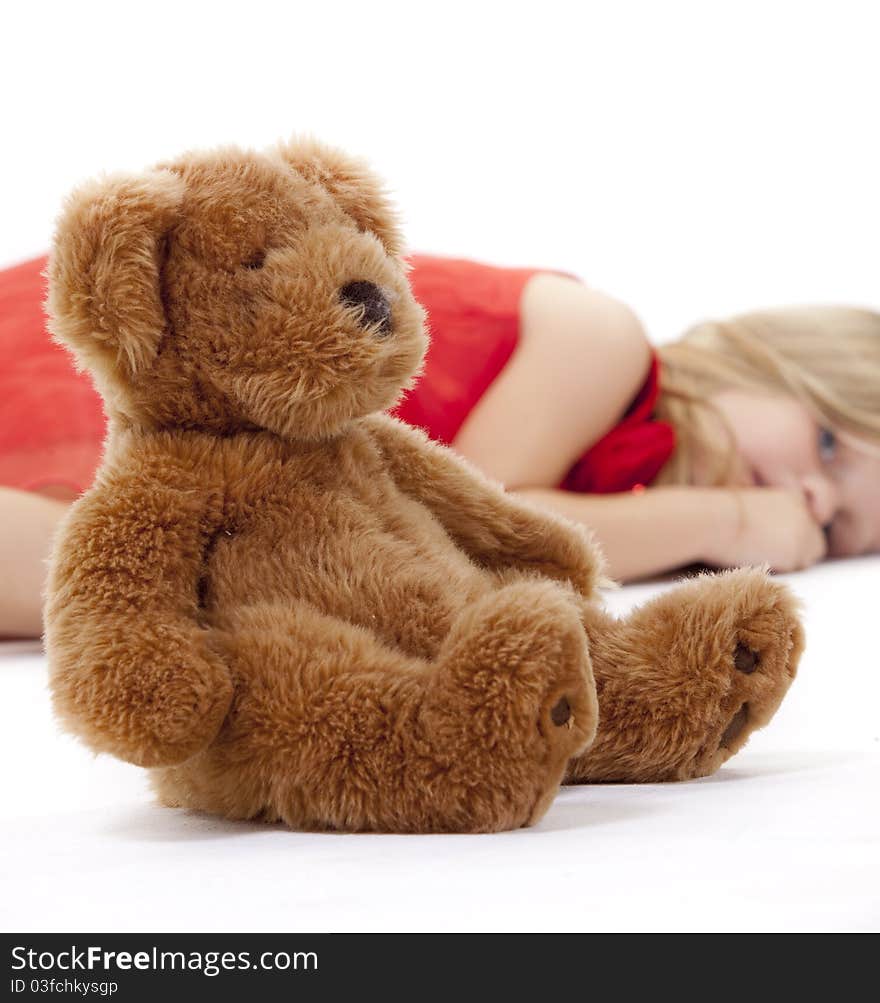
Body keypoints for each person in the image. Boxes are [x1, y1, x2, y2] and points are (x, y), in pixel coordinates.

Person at [1, 252, 879, 639]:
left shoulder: (633, 504)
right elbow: (485, 534)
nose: (813, 497)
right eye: (831, 444)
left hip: (247, 480)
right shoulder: (600, 339)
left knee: (157, 585)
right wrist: (723, 520)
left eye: (840, 524)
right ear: (767, 358)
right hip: (179, 374)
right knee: (128, 570)